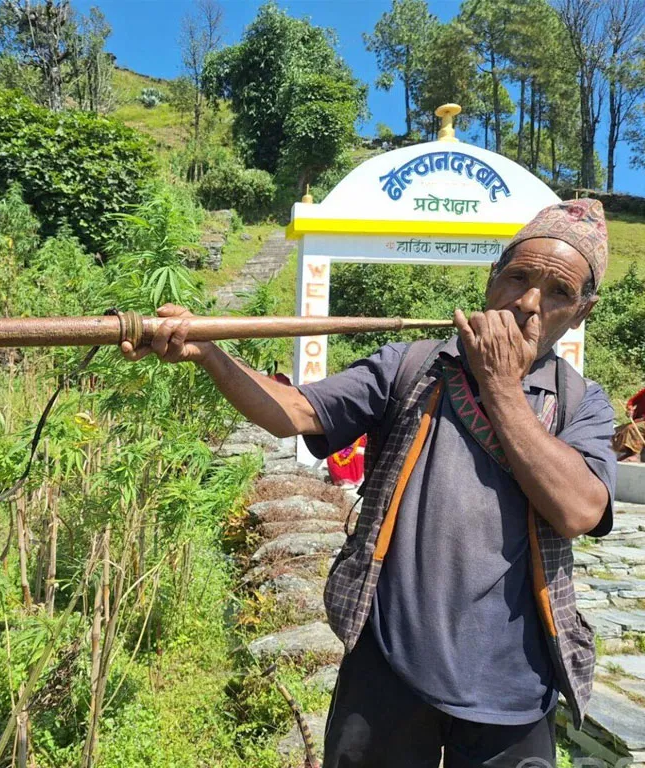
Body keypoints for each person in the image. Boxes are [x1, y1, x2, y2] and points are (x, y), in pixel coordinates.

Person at [121, 199, 617, 767]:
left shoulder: (583, 406)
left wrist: (501, 386)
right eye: (518, 278)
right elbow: (294, 412)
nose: (528, 303)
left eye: (557, 293)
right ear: (491, 280)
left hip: (512, 686)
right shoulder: (412, 366)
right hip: (388, 667)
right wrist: (210, 354)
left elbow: (579, 511)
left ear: (582, 312)